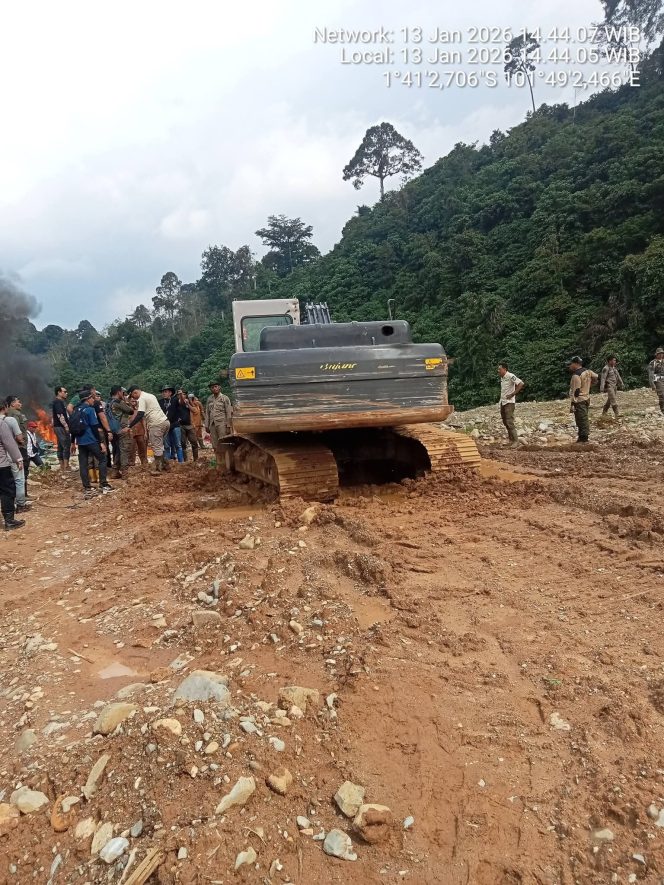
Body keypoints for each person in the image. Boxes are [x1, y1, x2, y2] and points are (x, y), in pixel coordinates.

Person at [71, 389, 114, 497]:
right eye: (92, 398)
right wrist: (100, 442)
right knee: (103, 458)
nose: (93, 400)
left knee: (83, 464)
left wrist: (73, 442)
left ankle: (87, 488)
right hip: (91, 440)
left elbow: (73, 427)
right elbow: (95, 427)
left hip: (80, 442)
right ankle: (103, 484)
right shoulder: (89, 410)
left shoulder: (76, 409)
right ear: (87, 399)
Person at [125, 386, 171, 473]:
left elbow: (140, 414)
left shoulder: (141, 399)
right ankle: (165, 465)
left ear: (135, 393)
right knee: (160, 445)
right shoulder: (151, 395)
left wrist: (129, 426)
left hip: (156, 423)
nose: (134, 399)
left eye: (132, 396)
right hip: (165, 422)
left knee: (156, 446)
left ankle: (158, 469)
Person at [0, 401, 25, 531]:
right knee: (7, 491)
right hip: (2, 465)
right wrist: (18, 459)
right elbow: (9, 444)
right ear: (4, 408)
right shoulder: (2, 423)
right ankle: (9, 521)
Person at [2, 407, 30, 513]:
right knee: (19, 479)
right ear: (5, 408)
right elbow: (18, 438)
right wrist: (18, 457)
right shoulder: (10, 420)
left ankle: (7, 510)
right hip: (10, 455)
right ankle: (20, 505)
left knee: (4, 485)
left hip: (1, 459)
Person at [568, 357, 599, 443]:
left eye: (571, 364)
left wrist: (572, 403)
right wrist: (590, 384)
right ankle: (582, 437)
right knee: (584, 417)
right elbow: (597, 377)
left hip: (579, 399)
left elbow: (576, 391)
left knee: (581, 419)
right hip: (587, 397)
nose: (570, 366)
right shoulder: (588, 371)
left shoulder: (576, 375)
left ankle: (584, 438)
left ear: (576, 363)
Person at [204, 381, 232, 467]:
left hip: (222, 423)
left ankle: (226, 463)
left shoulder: (225, 398)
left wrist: (228, 425)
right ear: (210, 389)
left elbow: (228, 412)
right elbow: (207, 413)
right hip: (212, 424)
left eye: (216, 386)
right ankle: (218, 463)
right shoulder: (209, 399)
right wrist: (206, 425)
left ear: (219, 387)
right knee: (215, 445)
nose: (214, 388)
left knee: (223, 444)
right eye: (212, 387)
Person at [497, 363, 524, 447]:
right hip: (503, 401)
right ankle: (511, 440)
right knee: (505, 421)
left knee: (509, 421)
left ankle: (516, 441)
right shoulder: (502, 378)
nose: (498, 371)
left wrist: (512, 394)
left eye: (500, 369)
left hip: (509, 402)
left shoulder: (510, 376)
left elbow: (521, 383)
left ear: (505, 369)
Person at [109, 386, 135, 476]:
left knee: (117, 451)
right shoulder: (119, 402)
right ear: (119, 392)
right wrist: (126, 401)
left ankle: (115, 471)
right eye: (122, 393)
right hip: (122, 429)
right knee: (124, 450)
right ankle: (125, 472)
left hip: (112, 430)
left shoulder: (108, 403)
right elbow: (130, 411)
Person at [169, 388, 199, 462]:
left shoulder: (189, 402)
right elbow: (181, 401)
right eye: (180, 394)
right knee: (183, 444)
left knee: (194, 442)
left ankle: (196, 459)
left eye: (183, 394)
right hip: (180, 426)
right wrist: (181, 396)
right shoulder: (176, 403)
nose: (182, 396)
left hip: (190, 425)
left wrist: (188, 404)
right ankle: (185, 461)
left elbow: (195, 411)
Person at [158, 384, 183, 462]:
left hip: (175, 425)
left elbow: (182, 402)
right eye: (163, 392)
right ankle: (168, 463)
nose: (164, 393)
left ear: (170, 393)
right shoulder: (160, 402)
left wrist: (181, 395)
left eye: (165, 392)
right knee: (166, 446)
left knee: (178, 445)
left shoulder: (175, 400)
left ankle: (181, 462)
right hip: (165, 426)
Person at [51, 385, 72, 473]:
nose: (66, 393)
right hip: (61, 427)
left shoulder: (58, 402)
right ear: (59, 392)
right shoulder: (58, 402)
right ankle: (65, 466)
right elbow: (60, 415)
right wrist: (66, 426)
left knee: (60, 446)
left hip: (58, 426)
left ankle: (62, 466)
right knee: (66, 445)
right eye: (64, 391)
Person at [648, 346, 664, 414]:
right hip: (658, 379)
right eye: (659, 353)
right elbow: (651, 375)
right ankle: (663, 409)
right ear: (656, 354)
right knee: (662, 395)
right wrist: (652, 385)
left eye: (662, 353)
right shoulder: (653, 363)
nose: (661, 355)